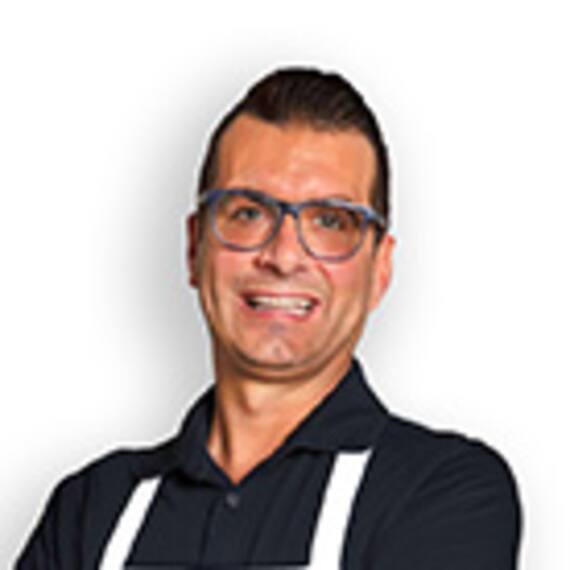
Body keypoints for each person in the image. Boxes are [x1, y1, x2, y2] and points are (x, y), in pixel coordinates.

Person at [16, 67, 522, 569]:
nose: (283, 256)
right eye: (248, 213)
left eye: (330, 221)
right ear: (194, 247)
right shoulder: (92, 510)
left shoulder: (442, 491)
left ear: (380, 269)